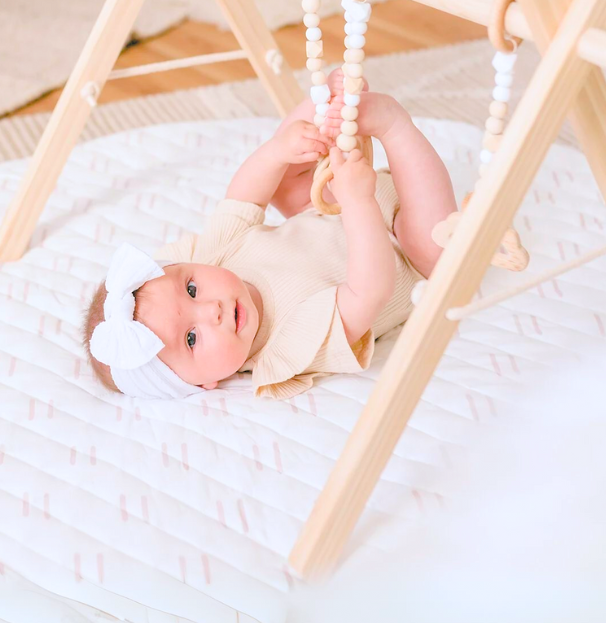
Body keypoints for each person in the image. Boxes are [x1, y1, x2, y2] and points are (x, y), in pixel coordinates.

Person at [84, 68, 457, 400]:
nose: (210, 310)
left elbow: (242, 196)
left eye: (192, 289)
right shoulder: (283, 352)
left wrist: (279, 151)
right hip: (402, 253)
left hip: (333, 205)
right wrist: (359, 201)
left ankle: (327, 108)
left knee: (280, 179)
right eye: (191, 339)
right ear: (203, 384)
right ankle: (392, 123)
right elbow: (369, 291)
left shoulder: (216, 257)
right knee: (434, 248)